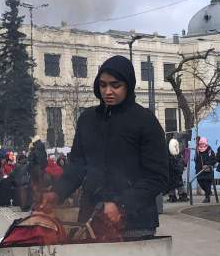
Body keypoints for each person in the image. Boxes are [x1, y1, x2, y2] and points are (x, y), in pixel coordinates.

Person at [49, 55, 167, 238]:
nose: (108, 91)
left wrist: (122, 204)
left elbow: (157, 176)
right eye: (103, 85)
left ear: (128, 85)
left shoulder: (145, 121)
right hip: (91, 218)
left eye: (115, 85)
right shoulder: (87, 120)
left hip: (135, 223)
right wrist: (56, 194)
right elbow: (76, 167)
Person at [195, 137, 217, 202]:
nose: (201, 145)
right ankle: (209, 192)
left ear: (205, 143)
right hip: (199, 171)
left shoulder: (209, 150)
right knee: (200, 181)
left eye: (203, 143)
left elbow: (214, 160)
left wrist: (207, 164)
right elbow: (196, 160)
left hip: (208, 171)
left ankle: (207, 198)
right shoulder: (197, 150)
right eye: (200, 143)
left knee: (207, 183)